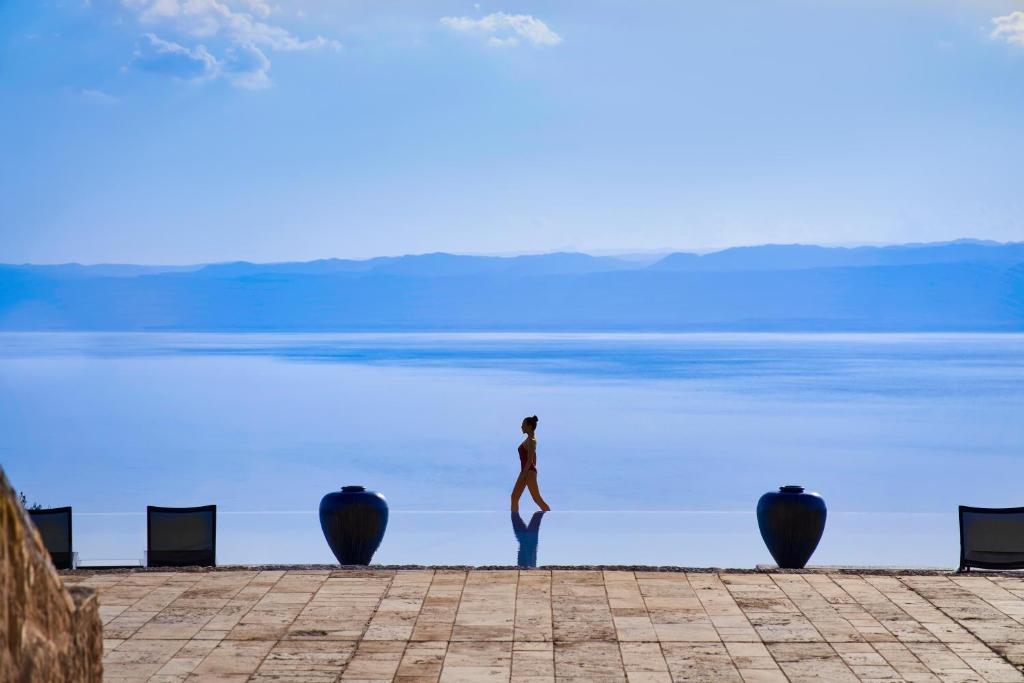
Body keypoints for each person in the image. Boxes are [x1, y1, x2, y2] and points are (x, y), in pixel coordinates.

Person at [511, 415, 551, 513]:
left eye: (523, 425)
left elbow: (530, 461)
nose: (521, 427)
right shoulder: (529, 440)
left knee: (536, 498)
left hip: (527, 472)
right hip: (527, 471)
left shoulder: (532, 441)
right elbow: (534, 459)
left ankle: (551, 517)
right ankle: (516, 525)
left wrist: (524, 474)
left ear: (529, 426)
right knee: (514, 497)